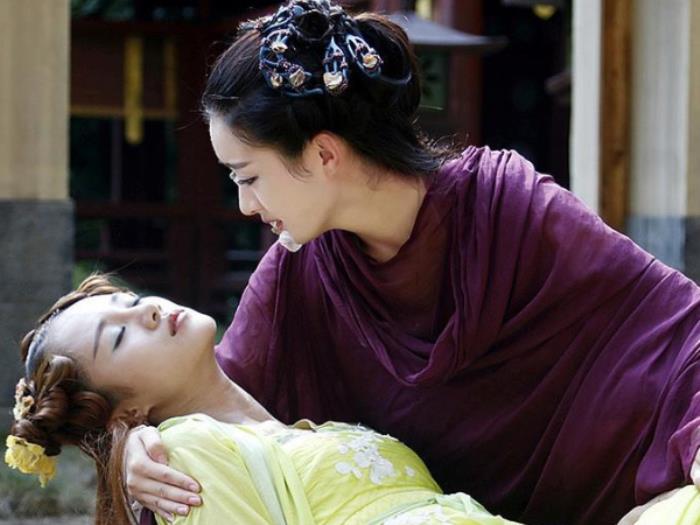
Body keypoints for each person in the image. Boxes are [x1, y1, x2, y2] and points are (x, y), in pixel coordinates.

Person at [117, 1, 700, 524]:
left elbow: (676, 327)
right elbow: (217, 401)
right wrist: (136, 444)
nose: (246, 205)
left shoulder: (507, 205)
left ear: (323, 154)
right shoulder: (298, 278)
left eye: (248, 177)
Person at [5, 273, 527, 525]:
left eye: (132, 300)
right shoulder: (184, 455)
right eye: (119, 336)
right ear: (127, 412)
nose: (149, 311)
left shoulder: (291, 430)